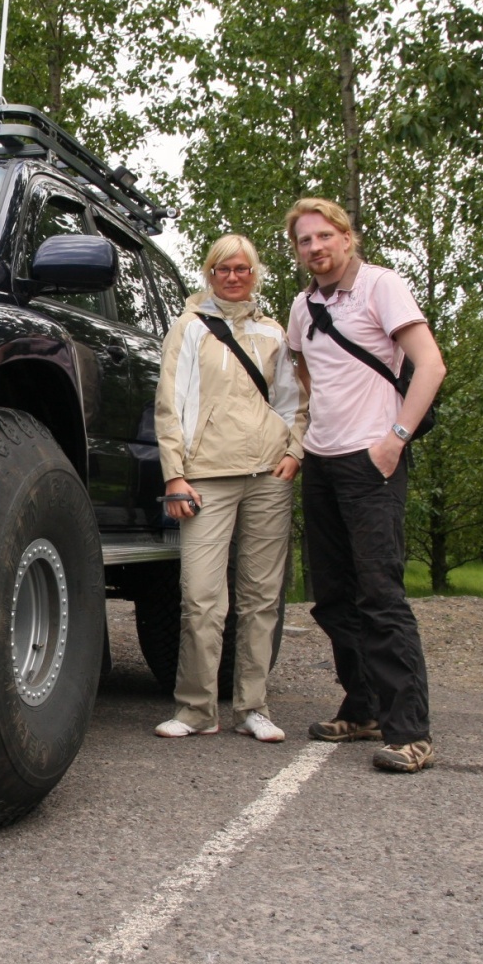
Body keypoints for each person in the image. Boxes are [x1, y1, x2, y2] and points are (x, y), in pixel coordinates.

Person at [283, 197, 446, 773]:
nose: (316, 248)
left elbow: (430, 364)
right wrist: (310, 437)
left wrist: (395, 436)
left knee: (380, 596)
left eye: (325, 236)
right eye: (305, 241)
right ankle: (364, 707)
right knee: (332, 597)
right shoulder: (304, 307)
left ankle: (410, 733)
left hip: (372, 460)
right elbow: (304, 370)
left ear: (347, 238)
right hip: (322, 461)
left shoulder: (383, 287)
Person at [153, 234, 307, 743]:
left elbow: (293, 400)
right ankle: (196, 708)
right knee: (201, 595)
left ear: (254, 274)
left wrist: (293, 452)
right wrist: (174, 472)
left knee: (261, 597)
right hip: (205, 476)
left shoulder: (272, 333)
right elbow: (170, 404)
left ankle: (252, 706)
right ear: (210, 273)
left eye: (242, 268)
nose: (234, 276)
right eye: (223, 269)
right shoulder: (191, 328)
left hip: (268, 476)